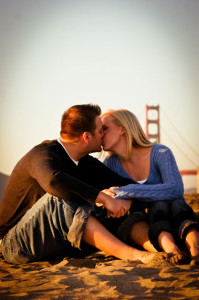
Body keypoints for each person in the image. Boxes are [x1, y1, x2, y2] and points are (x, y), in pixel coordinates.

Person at [0, 104, 161, 265]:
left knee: (111, 203)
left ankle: (162, 251)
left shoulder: (85, 163)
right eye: (100, 131)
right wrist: (104, 198)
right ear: (86, 137)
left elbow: (127, 184)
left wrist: (124, 198)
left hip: (56, 245)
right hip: (16, 245)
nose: (103, 135)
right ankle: (133, 255)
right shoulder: (43, 155)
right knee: (61, 200)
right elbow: (54, 181)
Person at [101, 108, 199, 265]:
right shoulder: (109, 165)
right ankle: (171, 251)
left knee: (173, 203)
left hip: (179, 220)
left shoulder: (160, 152)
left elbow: (175, 189)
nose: (100, 134)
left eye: (104, 128)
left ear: (122, 129)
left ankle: (196, 250)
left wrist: (127, 191)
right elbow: (110, 197)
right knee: (132, 221)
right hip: (151, 231)